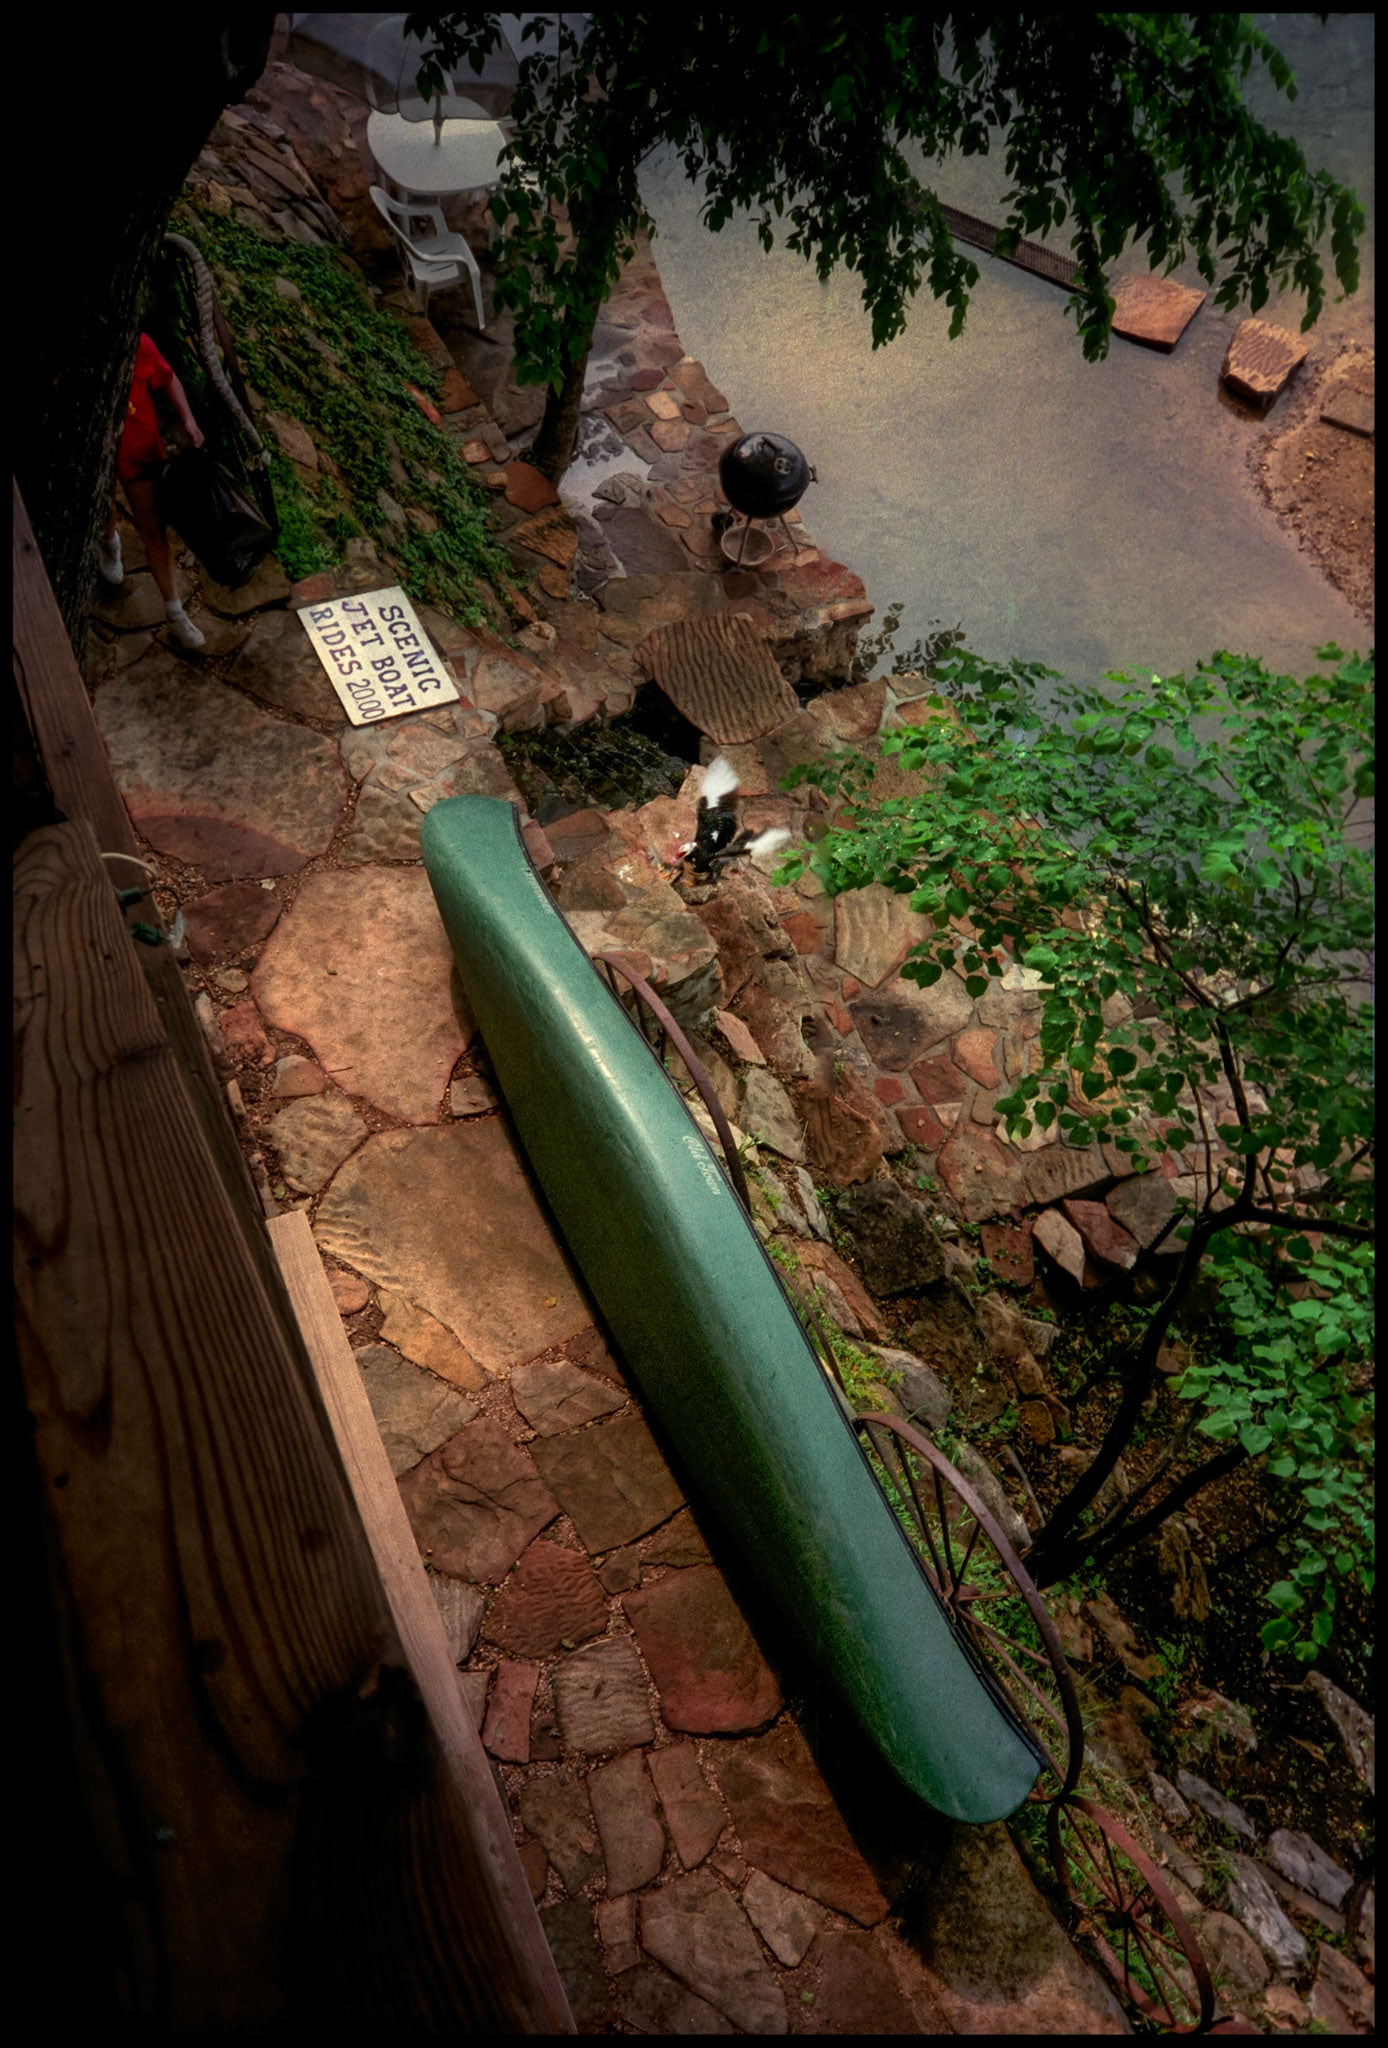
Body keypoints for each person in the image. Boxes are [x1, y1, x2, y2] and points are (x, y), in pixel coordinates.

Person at [99, 331, 207, 650]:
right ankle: (109, 543)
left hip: (141, 453)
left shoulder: (139, 343)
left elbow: (168, 377)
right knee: (105, 503)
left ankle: (175, 613)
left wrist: (188, 420)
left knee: (154, 533)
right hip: (101, 454)